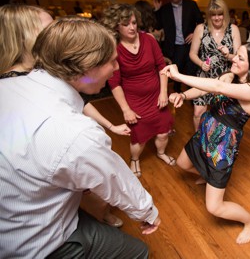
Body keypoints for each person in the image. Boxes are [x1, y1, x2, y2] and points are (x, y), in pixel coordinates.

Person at [0, 18, 161, 258]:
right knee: (138, 252)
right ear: (86, 67)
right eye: (112, 61)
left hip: (17, 214)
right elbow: (113, 177)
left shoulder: (11, 85)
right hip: (36, 244)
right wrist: (147, 213)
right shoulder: (74, 133)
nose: (117, 68)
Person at [164, 43, 250, 245]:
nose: (234, 59)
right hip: (206, 131)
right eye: (236, 55)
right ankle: (208, 177)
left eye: (241, 58)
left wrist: (178, 77)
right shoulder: (231, 75)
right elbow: (206, 87)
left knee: (214, 207)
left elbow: (218, 88)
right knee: (182, 163)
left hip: (222, 147)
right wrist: (183, 95)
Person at [102, 4, 175, 179]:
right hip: (134, 101)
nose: (132, 27)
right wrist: (126, 109)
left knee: (163, 131)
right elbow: (114, 83)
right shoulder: (114, 49)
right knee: (139, 137)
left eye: (134, 22)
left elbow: (161, 66)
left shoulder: (149, 40)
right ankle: (135, 159)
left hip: (157, 95)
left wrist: (163, 92)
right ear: (116, 26)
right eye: (126, 24)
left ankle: (161, 152)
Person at [188, 0, 241, 131]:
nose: (217, 18)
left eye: (220, 14)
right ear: (209, 15)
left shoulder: (233, 29)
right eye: (213, 15)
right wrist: (201, 64)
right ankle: (198, 140)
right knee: (198, 113)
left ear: (225, 14)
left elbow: (239, 57)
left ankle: (215, 141)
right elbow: (192, 53)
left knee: (222, 116)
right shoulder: (201, 28)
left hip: (225, 79)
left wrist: (228, 55)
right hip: (204, 77)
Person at [154, 0, 204, 90]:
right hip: (174, 48)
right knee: (176, 74)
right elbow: (157, 26)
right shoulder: (165, 9)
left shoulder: (191, 5)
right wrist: (157, 10)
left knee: (191, 73)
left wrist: (195, 33)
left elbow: (201, 22)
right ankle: (177, 94)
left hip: (190, 46)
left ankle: (191, 96)